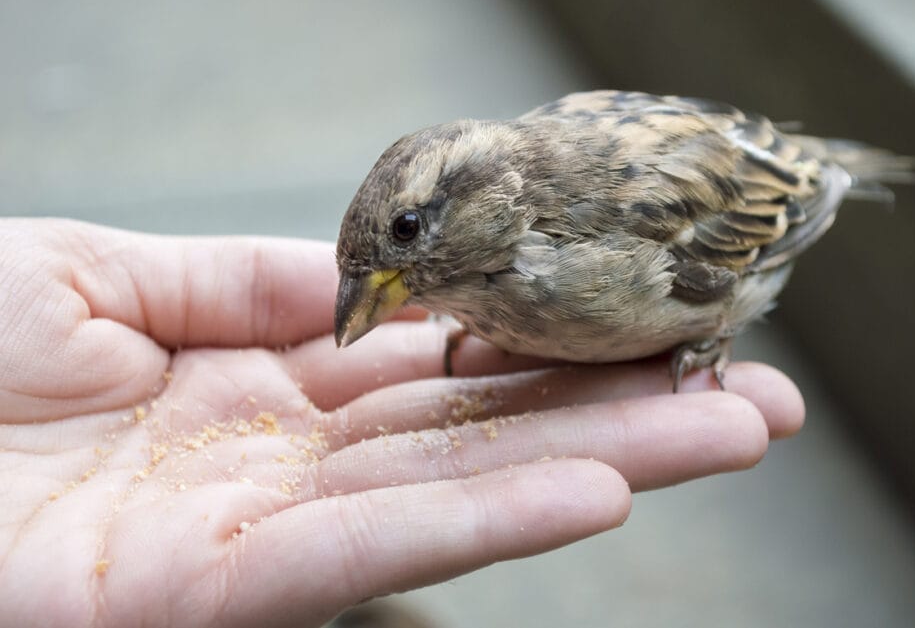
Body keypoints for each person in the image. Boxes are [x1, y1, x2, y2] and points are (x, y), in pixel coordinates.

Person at [0, 218, 803, 627]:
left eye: (410, 233)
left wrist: (706, 331)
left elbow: (759, 229)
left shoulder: (617, 236)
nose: (373, 296)